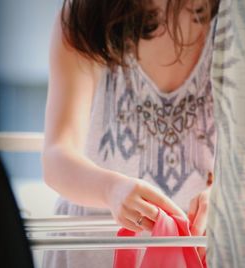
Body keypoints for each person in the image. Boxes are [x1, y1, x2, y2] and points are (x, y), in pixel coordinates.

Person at [42, 0, 219, 267]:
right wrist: (110, 190)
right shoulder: (85, 19)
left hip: (202, 253)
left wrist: (226, 196)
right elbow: (56, 157)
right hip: (88, 254)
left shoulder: (240, 21)